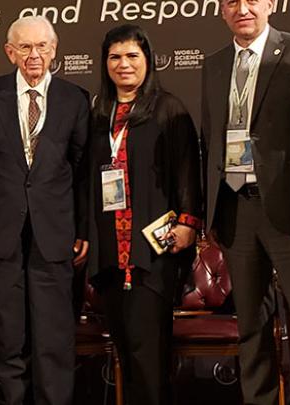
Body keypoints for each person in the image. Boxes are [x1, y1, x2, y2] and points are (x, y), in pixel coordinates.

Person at [0, 15, 89, 405]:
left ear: (54, 51)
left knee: (54, 340)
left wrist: (82, 229)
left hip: (56, 236)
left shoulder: (75, 97)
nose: (34, 55)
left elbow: (83, 170)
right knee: (10, 338)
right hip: (2, 236)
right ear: (10, 51)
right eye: (25, 47)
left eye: (42, 47)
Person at [202, 0, 290, 403]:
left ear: (270, 4)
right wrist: (211, 211)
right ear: (221, 10)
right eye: (232, 1)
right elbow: (211, 142)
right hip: (235, 209)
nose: (243, 8)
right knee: (251, 328)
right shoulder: (214, 64)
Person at [86, 24, 202, 405]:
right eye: (115, 57)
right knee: (127, 358)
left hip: (152, 254)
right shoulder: (98, 115)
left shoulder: (168, 109)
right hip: (110, 257)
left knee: (149, 359)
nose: (123, 65)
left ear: (148, 61)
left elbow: (188, 170)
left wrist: (187, 224)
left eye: (132, 56)